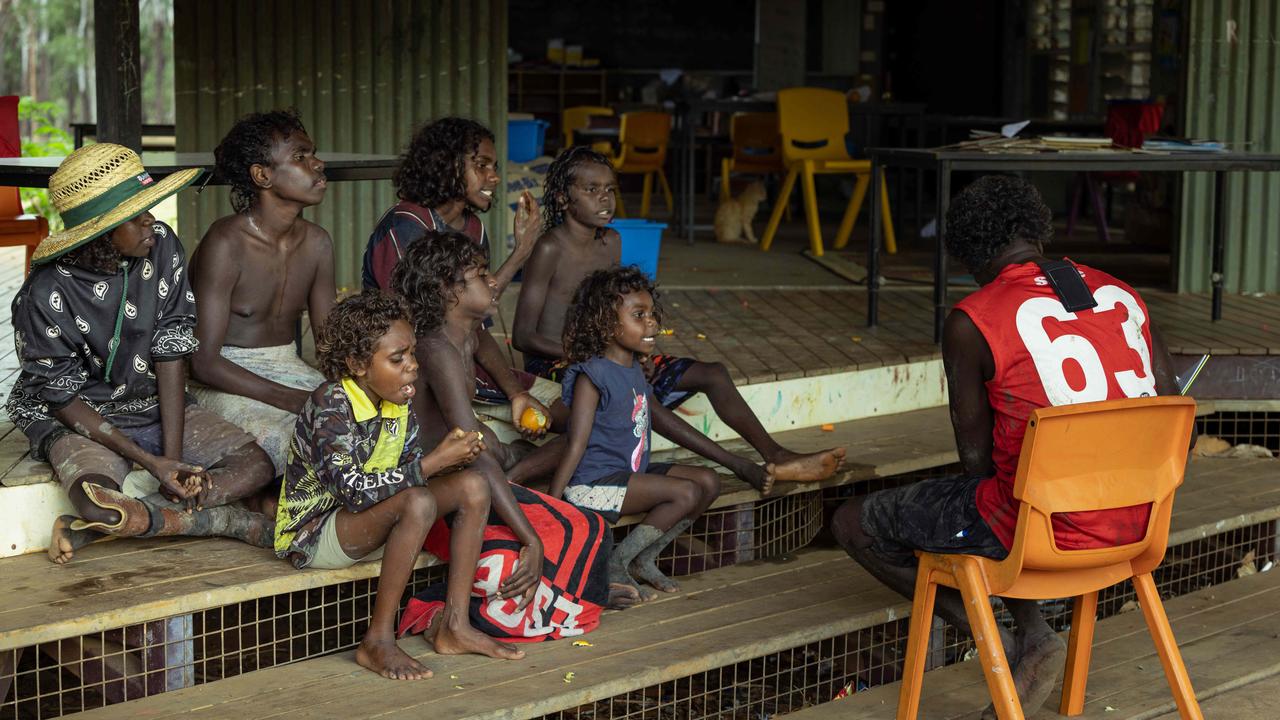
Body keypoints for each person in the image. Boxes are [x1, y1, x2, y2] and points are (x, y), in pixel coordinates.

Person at [830, 175, 1188, 718]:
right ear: (1037, 230)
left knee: (855, 521)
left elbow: (975, 461)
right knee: (1010, 492)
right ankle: (1029, 637)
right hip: (1139, 523)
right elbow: (1168, 403)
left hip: (1043, 531)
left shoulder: (973, 318)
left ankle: (1007, 636)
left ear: (967, 251)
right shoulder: (1123, 294)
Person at [5, 143, 275, 564]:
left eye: (149, 208)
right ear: (100, 233)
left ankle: (125, 523)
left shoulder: (162, 245)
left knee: (256, 465)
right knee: (97, 503)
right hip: (83, 417)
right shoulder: (43, 295)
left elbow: (171, 350)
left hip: (150, 401)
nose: (152, 219)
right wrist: (151, 462)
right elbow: (60, 398)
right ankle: (222, 521)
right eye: (136, 215)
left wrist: (171, 459)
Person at [514, 147, 845, 487]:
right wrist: (601, 358)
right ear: (563, 198)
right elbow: (524, 337)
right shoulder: (550, 248)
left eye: (610, 189)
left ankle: (776, 455)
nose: (605, 199)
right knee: (638, 391)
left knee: (712, 374)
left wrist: (637, 353)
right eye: (591, 190)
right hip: (559, 365)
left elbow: (616, 316)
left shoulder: (611, 242)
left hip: (607, 358)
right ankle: (738, 465)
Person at [274, 290, 527, 681]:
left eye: (411, 353)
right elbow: (354, 491)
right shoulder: (332, 403)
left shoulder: (396, 401)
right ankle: (377, 640)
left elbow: (407, 470)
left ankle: (455, 626)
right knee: (419, 502)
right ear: (358, 364)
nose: (412, 367)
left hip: (370, 519)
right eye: (397, 359)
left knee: (474, 485)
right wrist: (434, 462)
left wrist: (452, 458)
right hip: (316, 532)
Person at [390, 232, 642, 614]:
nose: (493, 281)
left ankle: (582, 581)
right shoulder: (436, 348)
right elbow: (470, 451)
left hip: (480, 468)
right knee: (562, 525)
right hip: (446, 488)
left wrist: (516, 395)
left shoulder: (465, 333)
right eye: (480, 274)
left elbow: (483, 342)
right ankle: (586, 591)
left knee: (578, 440)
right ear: (448, 291)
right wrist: (530, 539)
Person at [550, 266, 747, 600]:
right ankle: (617, 562)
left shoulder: (634, 368)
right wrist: (553, 504)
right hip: (592, 485)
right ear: (606, 324)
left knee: (708, 482)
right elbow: (575, 443)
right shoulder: (592, 375)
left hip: (627, 474)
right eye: (638, 315)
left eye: (652, 314)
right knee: (684, 493)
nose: (652, 323)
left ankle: (645, 558)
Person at [362, 116, 555, 426]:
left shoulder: (474, 230)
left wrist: (516, 392)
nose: (493, 178)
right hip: (414, 378)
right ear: (448, 164)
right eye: (481, 165)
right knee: (481, 442)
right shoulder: (406, 227)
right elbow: (418, 329)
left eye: (494, 168)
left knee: (561, 411)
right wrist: (521, 253)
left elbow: (476, 324)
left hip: (468, 368)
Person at [189, 109, 333, 476]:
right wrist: (296, 401)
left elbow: (333, 345)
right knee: (289, 443)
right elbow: (203, 362)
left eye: (312, 154)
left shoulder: (317, 243)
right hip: (225, 378)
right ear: (262, 175)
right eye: (300, 157)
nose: (317, 164)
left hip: (290, 370)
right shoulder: (226, 243)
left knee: (365, 427)